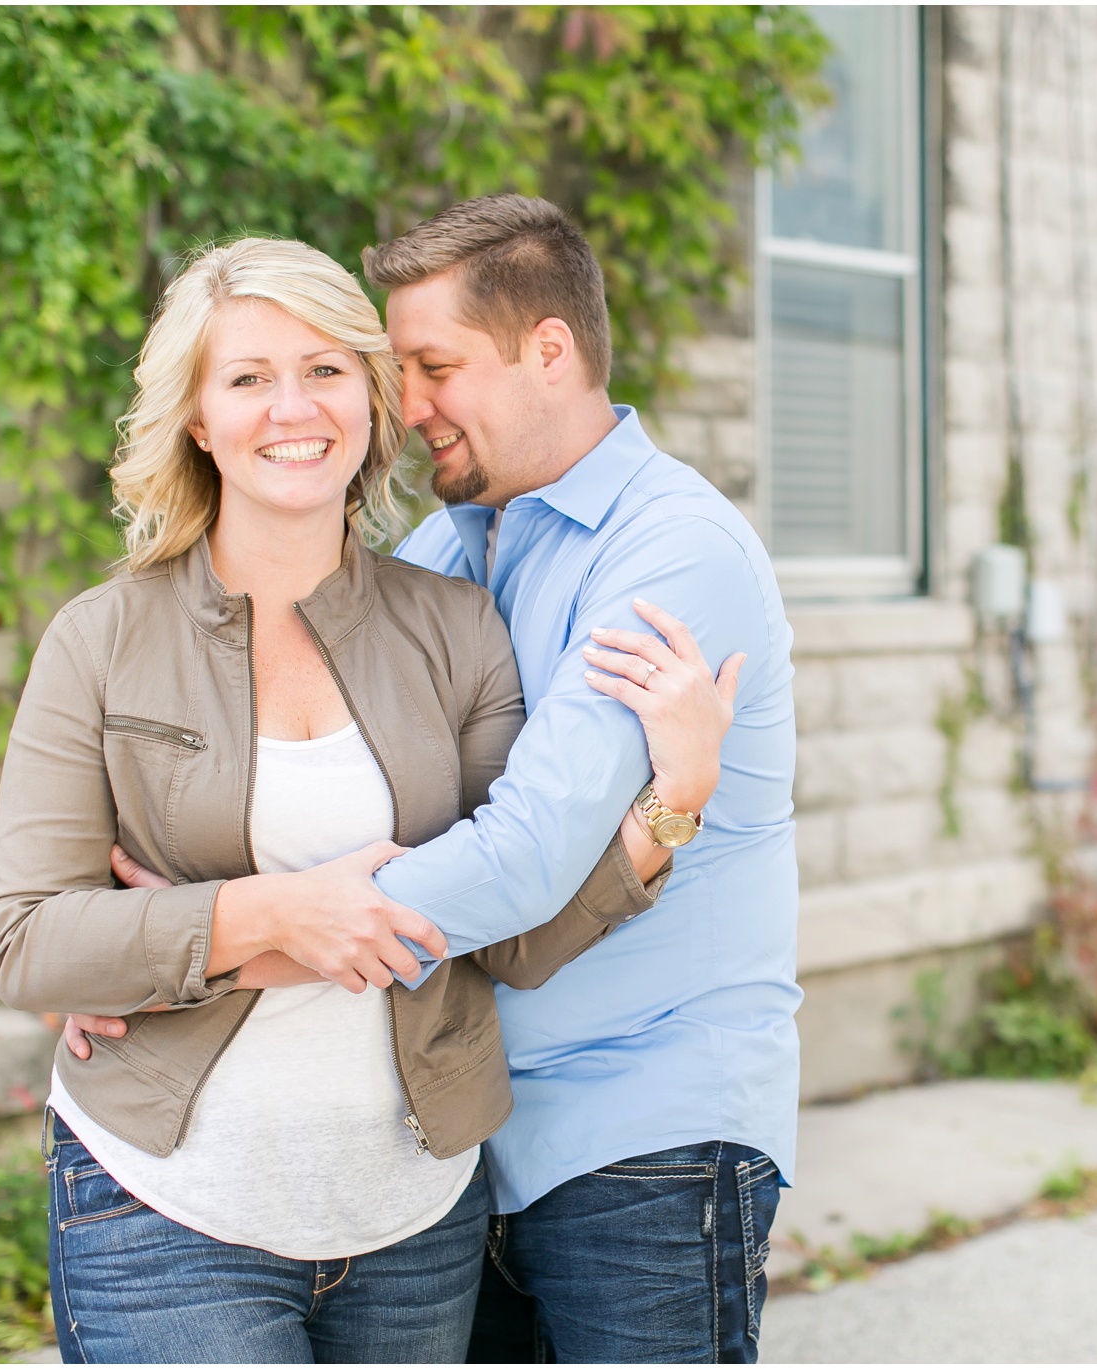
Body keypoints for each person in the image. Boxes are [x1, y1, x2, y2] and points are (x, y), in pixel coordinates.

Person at [0, 236, 740, 1364]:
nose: (294, 407)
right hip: (168, 1210)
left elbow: (515, 936)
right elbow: (25, 939)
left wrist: (675, 795)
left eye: (327, 368)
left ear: (371, 402)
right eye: (247, 378)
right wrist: (268, 921)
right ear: (197, 418)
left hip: (412, 1220)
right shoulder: (101, 639)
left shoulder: (453, 625)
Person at [365, 194, 801, 1363]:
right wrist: (140, 925)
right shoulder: (450, 547)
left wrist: (247, 928)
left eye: (434, 366)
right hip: (477, 1138)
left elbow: (522, 858)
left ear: (547, 350)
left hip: (646, 1131)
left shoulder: (671, 551)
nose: (408, 408)